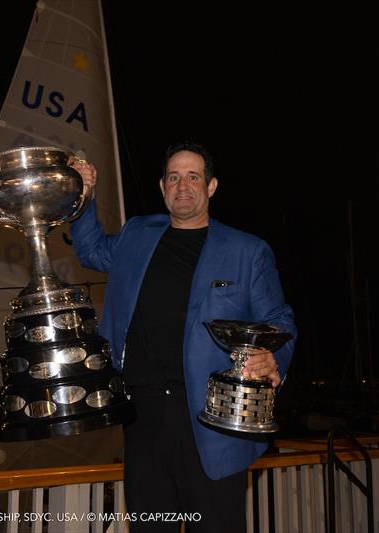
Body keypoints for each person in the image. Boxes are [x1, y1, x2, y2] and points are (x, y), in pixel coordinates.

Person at [70, 142, 296, 532]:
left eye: (193, 176)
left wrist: (273, 359)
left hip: (213, 420)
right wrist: (84, 194)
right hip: (142, 414)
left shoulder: (247, 250)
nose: (183, 185)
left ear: (211, 186)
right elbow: (90, 250)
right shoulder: (138, 233)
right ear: (162, 187)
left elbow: (278, 318)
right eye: (174, 177)